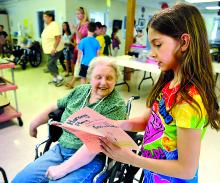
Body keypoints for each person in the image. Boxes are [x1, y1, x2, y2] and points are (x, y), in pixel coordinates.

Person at [100, 3, 220, 183]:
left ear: (184, 42)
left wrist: (131, 158)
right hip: (152, 175)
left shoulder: (190, 100)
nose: (152, 54)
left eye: (158, 45)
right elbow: (147, 121)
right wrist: (112, 125)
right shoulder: (170, 83)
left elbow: (186, 170)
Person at [12, 57, 127, 183]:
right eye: (98, 77)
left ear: (116, 80)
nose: (103, 82)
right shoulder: (80, 91)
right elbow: (55, 106)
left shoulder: (116, 105)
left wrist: (62, 169)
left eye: (109, 78)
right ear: (90, 78)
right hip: (61, 149)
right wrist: (33, 124)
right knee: (20, 180)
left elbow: (96, 143)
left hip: (92, 159)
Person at [65, 7, 89, 89]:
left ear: (83, 14)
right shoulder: (79, 24)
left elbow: (81, 36)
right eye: (76, 14)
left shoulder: (86, 24)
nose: (77, 16)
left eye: (78, 14)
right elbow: (77, 37)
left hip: (84, 48)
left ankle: (73, 82)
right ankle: (73, 82)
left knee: (81, 65)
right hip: (79, 47)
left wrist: (75, 29)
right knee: (78, 64)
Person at [41, 11, 64, 87]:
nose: (43, 18)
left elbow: (58, 37)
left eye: (45, 17)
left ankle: (59, 78)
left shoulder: (54, 24)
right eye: (43, 17)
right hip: (50, 50)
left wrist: (54, 48)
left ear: (50, 17)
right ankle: (55, 79)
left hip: (55, 49)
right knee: (53, 64)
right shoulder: (48, 25)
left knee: (50, 64)